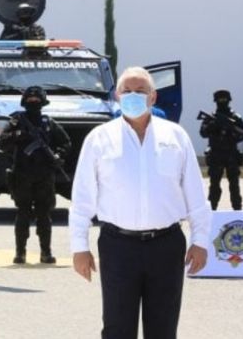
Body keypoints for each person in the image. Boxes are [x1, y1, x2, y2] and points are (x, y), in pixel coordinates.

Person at [70, 67, 210, 339]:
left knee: (163, 327)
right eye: (127, 91)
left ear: (153, 97)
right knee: (117, 327)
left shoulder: (176, 137)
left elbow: (195, 194)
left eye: (141, 91)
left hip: (166, 246)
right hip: (118, 246)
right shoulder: (99, 139)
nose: (133, 96)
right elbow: (82, 199)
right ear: (116, 96)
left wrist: (200, 240)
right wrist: (79, 247)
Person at [0, 86, 70, 264]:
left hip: (44, 175)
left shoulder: (48, 123)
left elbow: (66, 142)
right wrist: (19, 135)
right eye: (30, 100)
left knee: (44, 215)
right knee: (23, 214)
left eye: (36, 100)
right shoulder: (17, 120)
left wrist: (59, 156)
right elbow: (2, 143)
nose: (33, 103)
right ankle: (20, 252)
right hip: (22, 174)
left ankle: (46, 252)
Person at [199, 89, 243, 210]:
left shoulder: (236, 117)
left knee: (234, 186)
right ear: (216, 101)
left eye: (224, 99)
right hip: (216, 154)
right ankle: (212, 210)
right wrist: (214, 125)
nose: (222, 102)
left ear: (229, 100)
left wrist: (230, 129)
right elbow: (203, 133)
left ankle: (237, 211)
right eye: (220, 99)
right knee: (214, 186)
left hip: (231, 154)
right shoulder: (211, 117)